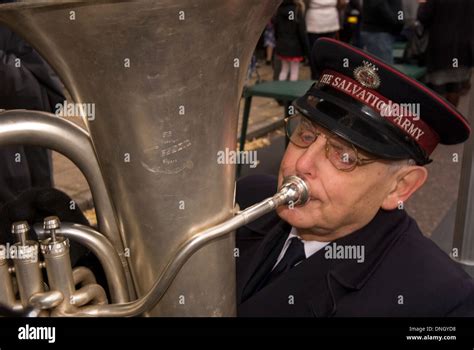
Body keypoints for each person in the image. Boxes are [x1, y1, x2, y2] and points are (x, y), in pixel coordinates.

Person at [236, 38, 474, 317]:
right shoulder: (247, 196)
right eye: (306, 134)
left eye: (344, 156)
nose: (301, 163)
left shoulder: (440, 301)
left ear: (400, 187)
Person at [417, 0, 474, 107]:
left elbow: (423, 17)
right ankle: (451, 118)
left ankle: (440, 119)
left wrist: (422, 4)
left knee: (438, 87)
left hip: (440, 48)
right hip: (462, 48)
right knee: (455, 86)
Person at [274, 0, 310, 81]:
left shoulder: (279, 10)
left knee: (284, 70)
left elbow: (276, 29)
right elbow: (302, 32)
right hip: (295, 47)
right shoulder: (297, 10)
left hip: (282, 45)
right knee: (294, 71)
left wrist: (278, 42)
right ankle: (291, 91)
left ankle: (281, 90)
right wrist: (306, 49)